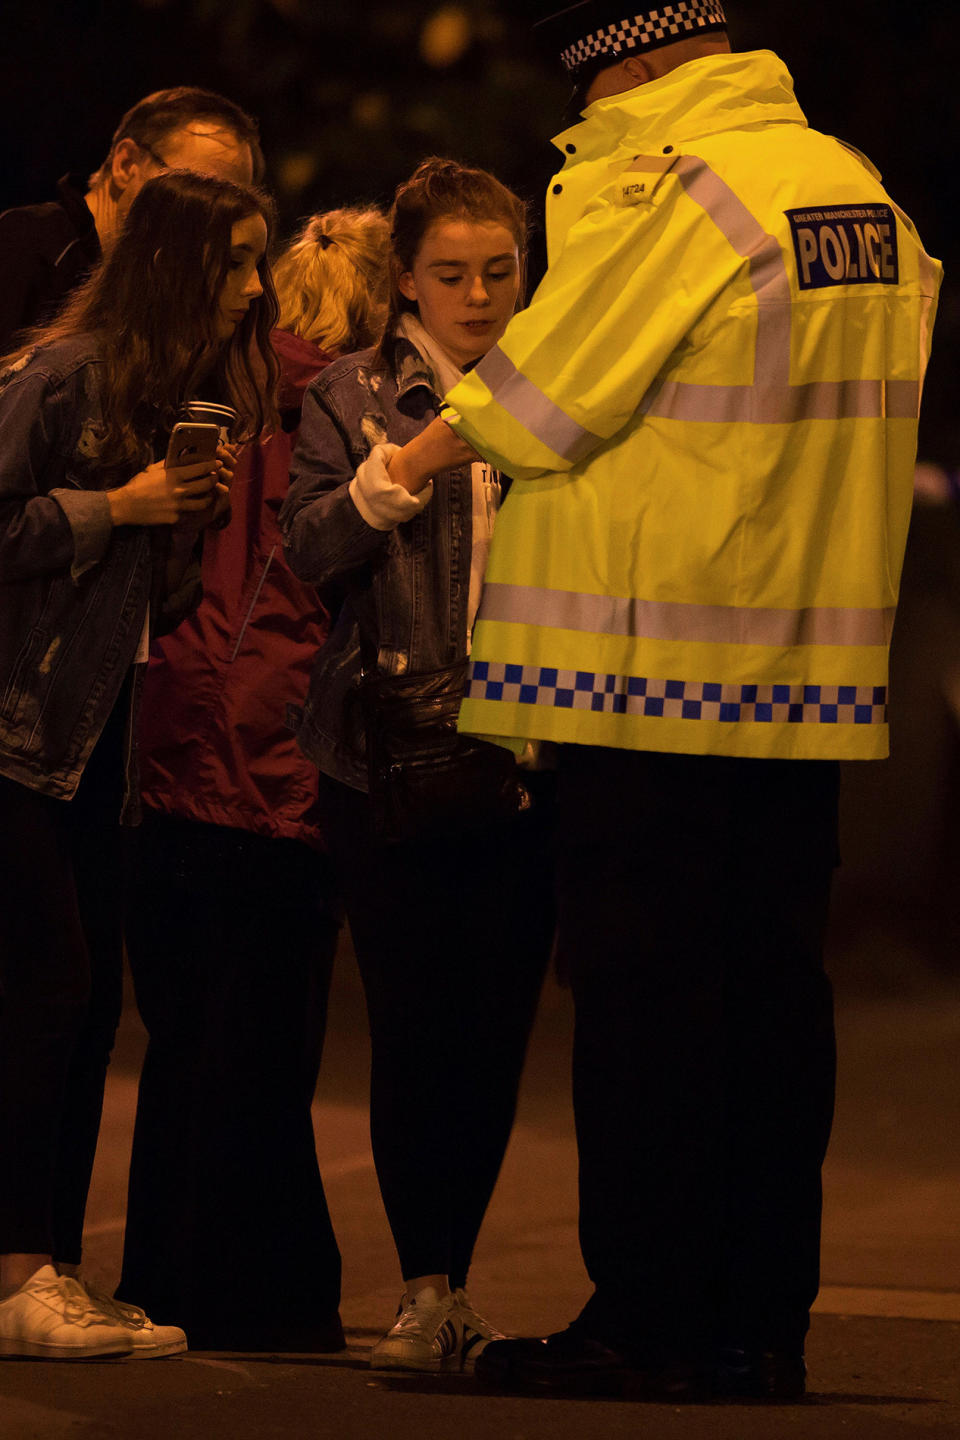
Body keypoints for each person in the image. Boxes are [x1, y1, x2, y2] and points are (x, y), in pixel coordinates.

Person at [393, 1, 942, 1401]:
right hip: (801, 685)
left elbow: (544, 398)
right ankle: (760, 1326)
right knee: (771, 1008)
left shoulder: (678, 186)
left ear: (630, 63)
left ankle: (645, 1319)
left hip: (649, 675)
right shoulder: (852, 186)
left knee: (645, 1012)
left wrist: (409, 458)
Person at [280, 158, 556, 1373]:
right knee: (413, 1020)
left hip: (531, 742)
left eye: (502, 271)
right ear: (407, 280)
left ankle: (457, 1277)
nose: (481, 297)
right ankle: (424, 1284)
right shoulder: (356, 392)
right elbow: (309, 542)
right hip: (387, 748)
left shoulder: (562, 386)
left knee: (496, 1028)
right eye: (452, 275)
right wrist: (411, 461)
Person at [0, 168, 278, 1359]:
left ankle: (45, 1266)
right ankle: (19, 1276)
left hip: (87, 743)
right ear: (175, 267)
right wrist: (120, 505)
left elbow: (129, 601)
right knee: (42, 987)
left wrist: (175, 525)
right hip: (15, 734)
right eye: (237, 263)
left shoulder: (171, 387)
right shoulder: (59, 375)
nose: (254, 291)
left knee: (81, 1001)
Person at [116, 207, 390, 1353]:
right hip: (283, 773)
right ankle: (264, 1293)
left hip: (165, 747)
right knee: (267, 1053)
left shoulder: (207, 400)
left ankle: (162, 1275)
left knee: (181, 1041)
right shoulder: (361, 423)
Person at [0, 86, 262, 352]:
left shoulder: (173, 286)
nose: (219, 218)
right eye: (197, 189)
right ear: (126, 165)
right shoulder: (22, 243)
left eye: (234, 206)